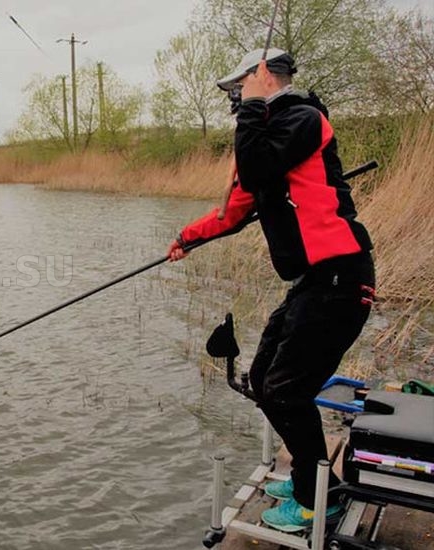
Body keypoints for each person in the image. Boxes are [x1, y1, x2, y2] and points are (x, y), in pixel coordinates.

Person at [167, 48, 375, 533]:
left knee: (285, 388)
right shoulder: (267, 135)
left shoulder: (302, 119)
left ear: (263, 77)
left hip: (343, 277)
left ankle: (316, 500)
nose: (236, 100)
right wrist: (185, 240)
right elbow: (232, 212)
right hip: (315, 282)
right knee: (264, 380)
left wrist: (255, 107)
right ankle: (309, 476)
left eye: (239, 89)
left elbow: (258, 168)